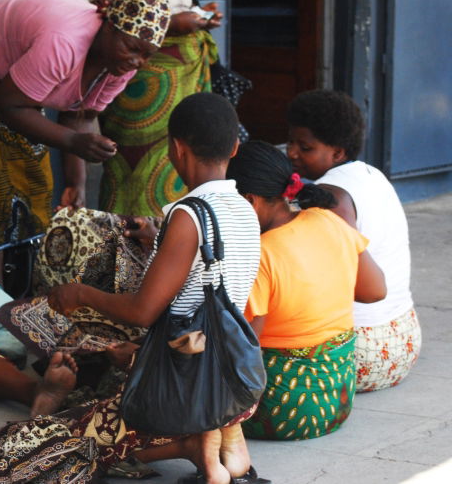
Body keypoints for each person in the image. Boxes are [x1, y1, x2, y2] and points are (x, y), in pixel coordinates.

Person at [38, 92, 264, 484]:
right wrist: (157, 237)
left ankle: (199, 446)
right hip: (228, 365)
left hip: (185, 372)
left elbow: (143, 311)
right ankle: (224, 437)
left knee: (63, 442)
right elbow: (209, 266)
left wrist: (81, 293)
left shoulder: (187, 214)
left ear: (176, 149)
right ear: (234, 147)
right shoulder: (245, 207)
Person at [0, 0, 171, 283]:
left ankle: (15, 289)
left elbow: (79, 115)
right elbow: (8, 105)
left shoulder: (120, 65)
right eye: (132, 48)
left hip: (13, 85)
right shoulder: (64, 43)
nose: (137, 61)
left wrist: (76, 185)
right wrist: (74, 142)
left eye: (147, 55)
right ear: (110, 27)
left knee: (34, 178)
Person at [82, 0, 224, 217]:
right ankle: (127, 240)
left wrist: (201, 17)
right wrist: (179, 24)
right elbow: (114, 23)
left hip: (183, 73)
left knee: (179, 156)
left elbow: (172, 4)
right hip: (143, 80)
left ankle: (175, 228)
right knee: (137, 160)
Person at [227, 141, 387, 440]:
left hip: (280, 413)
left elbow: (243, 347)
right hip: (337, 402)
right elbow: (375, 290)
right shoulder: (328, 219)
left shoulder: (261, 253)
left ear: (249, 201)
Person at [287, 90, 422, 392]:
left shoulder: (330, 196)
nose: (292, 152)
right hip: (404, 339)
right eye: (291, 142)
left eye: (305, 147)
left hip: (360, 355)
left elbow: (361, 287)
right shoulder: (371, 174)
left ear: (337, 152)